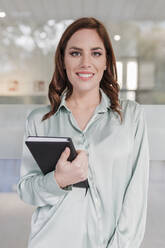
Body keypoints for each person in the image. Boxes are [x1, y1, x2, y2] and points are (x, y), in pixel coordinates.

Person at [17, 17, 150, 248]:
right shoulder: (39, 120)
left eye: (96, 53)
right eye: (76, 53)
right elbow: (27, 191)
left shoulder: (131, 117)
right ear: (63, 61)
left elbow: (136, 196)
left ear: (107, 61)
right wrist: (58, 180)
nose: (85, 63)